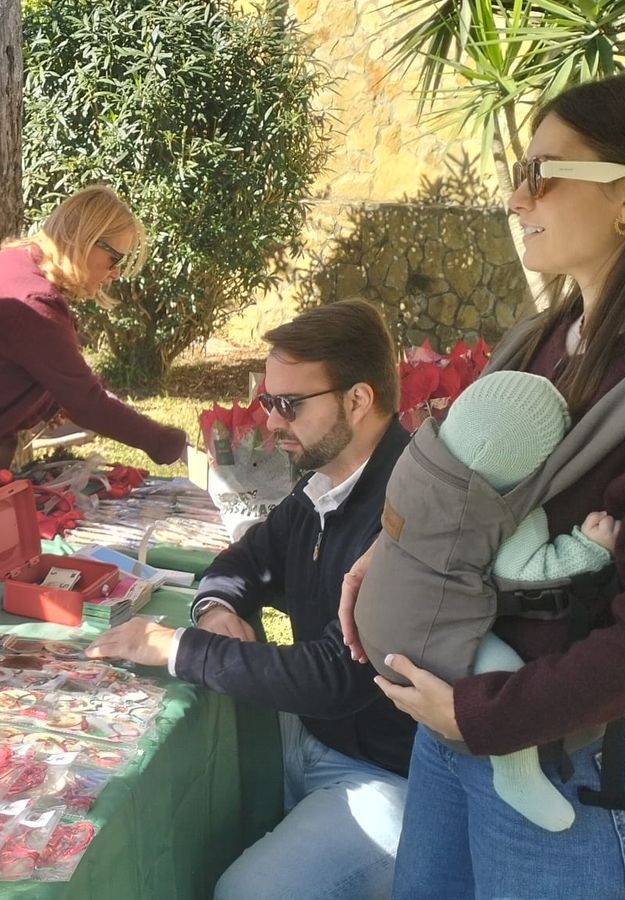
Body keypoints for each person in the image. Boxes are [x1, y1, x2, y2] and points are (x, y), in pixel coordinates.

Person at [340, 71, 625, 899]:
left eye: (544, 173)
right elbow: (470, 495)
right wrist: (391, 559)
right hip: (453, 722)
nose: (516, 195)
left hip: (552, 760)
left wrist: (486, 716)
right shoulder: (545, 336)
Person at [86, 299, 414, 900]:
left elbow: (338, 676)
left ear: (358, 401)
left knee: (248, 891)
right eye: (267, 401)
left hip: (391, 779)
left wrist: (179, 648)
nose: (271, 423)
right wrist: (216, 610)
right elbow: (245, 560)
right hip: (314, 739)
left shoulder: (409, 508)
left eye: (288, 404)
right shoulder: (327, 478)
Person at [354, 370, 621, 833]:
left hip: (371, 612)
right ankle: (516, 776)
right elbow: (521, 571)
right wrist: (588, 548)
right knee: (504, 683)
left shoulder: (418, 458)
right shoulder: (501, 510)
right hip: (423, 643)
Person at [0, 185, 186, 486]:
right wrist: (170, 444)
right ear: (87, 242)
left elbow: (58, 377)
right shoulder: (32, 298)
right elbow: (87, 403)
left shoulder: (12, 264)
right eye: (114, 260)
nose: (116, 273)